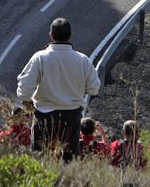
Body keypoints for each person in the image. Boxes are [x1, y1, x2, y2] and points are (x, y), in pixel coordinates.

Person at [16, 17, 101, 162]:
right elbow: (94, 88)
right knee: (69, 160)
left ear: (51, 35)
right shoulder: (83, 60)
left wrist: (27, 100)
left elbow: (24, 88)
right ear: (70, 36)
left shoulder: (40, 58)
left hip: (44, 115)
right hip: (71, 115)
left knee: (39, 158)